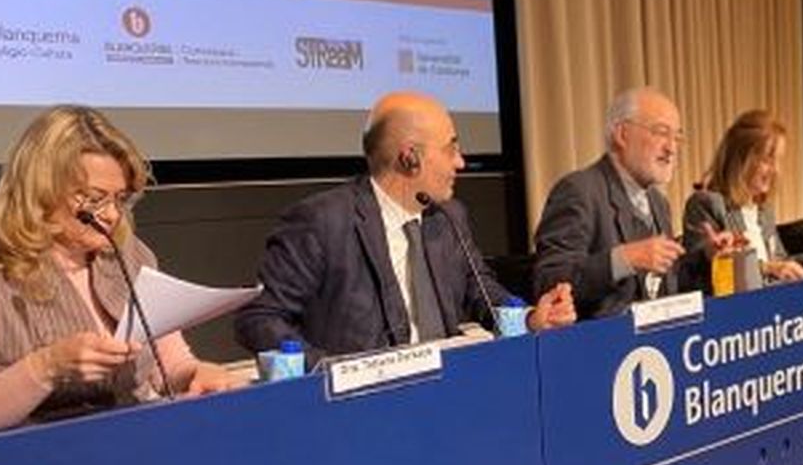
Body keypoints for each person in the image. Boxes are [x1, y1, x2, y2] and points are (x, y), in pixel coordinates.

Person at [0, 105, 239, 438]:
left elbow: (172, 365)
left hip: (136, 444)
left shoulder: (130, 256)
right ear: (40, 190)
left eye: (120, 199)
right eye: (94, 199)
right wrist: (47, 367)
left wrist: (198, 374)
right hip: (35, 462)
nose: (110, 215)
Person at [236, 92, 574, 362]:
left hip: (445, 390)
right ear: (410, 157)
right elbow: (259, 319)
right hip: (359, 410)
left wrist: (531, 318)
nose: (460, 162)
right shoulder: (323, 221)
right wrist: (328, 369)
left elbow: (480, 290)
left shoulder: (448, 216)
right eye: (451, 148)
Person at [532, 86, 724, 319]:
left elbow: (664, 288)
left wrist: (708, 257)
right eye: (661, 132)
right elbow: (549, 282)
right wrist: (622, 260)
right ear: (622, 134)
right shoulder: (579, 191)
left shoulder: (658, 202)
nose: (671, 148)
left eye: (677, 137)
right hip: (601, 347)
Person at [683, 109, 803, 283]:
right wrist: (767, 269)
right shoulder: (706, 204)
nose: (776, 170)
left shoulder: (764, 210)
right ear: (741, 159)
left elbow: (781, 263)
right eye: (767, 160)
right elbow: (699, 274)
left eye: (778, 161)